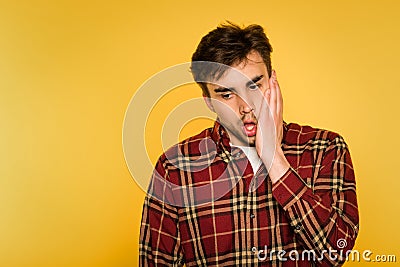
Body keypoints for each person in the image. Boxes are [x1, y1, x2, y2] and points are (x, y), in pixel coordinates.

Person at [139, 22, 359, 266]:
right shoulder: (175, 168)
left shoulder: (325, 149)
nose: (246, 106)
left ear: (273, 81)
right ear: (209, 102)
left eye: (254, 85)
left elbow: (337, 250)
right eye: (227, 94)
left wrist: (275, 159)